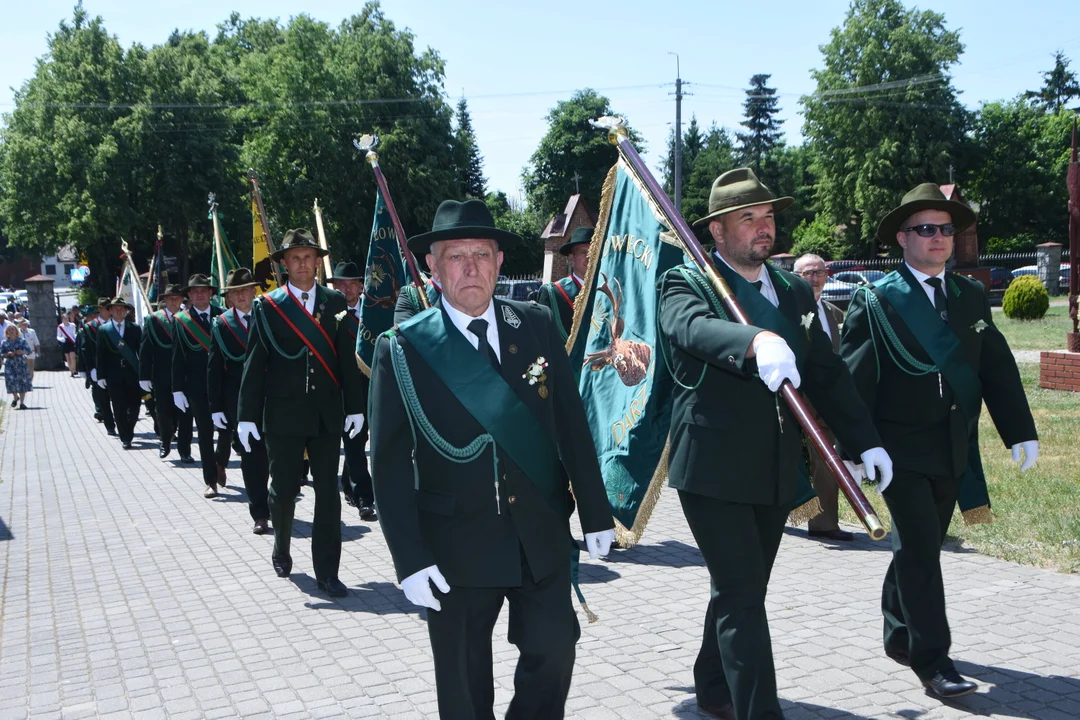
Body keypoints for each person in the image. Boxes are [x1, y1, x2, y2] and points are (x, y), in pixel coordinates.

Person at [659, 169, 892, 720]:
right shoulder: (690, 279)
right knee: (742, 593)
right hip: (712, 467)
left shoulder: (790, 288)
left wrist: (864, 441)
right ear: (716, 231)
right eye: (748, 219)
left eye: (768, 217)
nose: (764, 229)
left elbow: (826, 372)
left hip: (775, 464)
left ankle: (713, 686)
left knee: (742, 587)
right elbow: (687, 328)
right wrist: (754, 339)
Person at [369, 199, 616, 720]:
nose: (471, 268)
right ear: (432, 268)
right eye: (455, 256)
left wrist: (594, 511)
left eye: (482, 254)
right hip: (453, 546)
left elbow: (571, 424)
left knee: (555, 654)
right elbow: (388, 464)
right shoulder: (403, 349)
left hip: (538, 535)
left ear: (501, 262)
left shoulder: (538, 324)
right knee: (463, 687)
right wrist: (408, 558)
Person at [840, 183, 1039, 699]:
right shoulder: (877, 298)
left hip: (952, 444)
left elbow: (994, 367)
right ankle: (934, 661)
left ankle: (899, 631)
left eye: (947, 229)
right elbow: (854, 378)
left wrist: (1019, 430)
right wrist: (856, 448)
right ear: (902, 238)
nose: (940, 238)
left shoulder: (970, 294)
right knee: (924, 552)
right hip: (896, 451)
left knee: (915, 548)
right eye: (927, 229)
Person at [237, 229, 366, 596]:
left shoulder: (335, 302)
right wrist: (247, 414)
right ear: (284, 264)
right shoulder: (268, 305)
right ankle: (281, 544)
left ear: (317, 261)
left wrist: (355, 408)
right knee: (282, 490)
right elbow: (254, 362)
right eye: (295, 257)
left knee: (328, 495)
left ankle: (327, 571)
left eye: (309, 257)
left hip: (326, 414)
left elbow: (346, 359)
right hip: (283, 415)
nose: (303, 264)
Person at [791, 253, 853, 542]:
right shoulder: (784, 309)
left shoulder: (834, 313)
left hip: (825, 400)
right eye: (807, 273)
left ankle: (825, 524)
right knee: (778, 459)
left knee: (828, 460)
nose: (814, 278)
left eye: (819, 272)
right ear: (795, 277)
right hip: (790, 398)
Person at [208, 268, 271, 534]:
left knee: (277, 457)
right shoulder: (222, 324)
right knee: (252, 458)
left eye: (246, 289)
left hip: (272, 398)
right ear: (230, 298)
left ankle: (280, 505)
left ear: (254, 291)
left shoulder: (269, 316)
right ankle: (259, 512)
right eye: (236, 292)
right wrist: (216, 408)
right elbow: (214, 367)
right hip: (240, 403)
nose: (242, 295)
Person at [172, 274, 230, 497]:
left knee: (227, 429)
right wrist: (177, 389)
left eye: (203, 290)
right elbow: (177, 356)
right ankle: (211, 481)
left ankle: (220, 462)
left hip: (224, 384)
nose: (199, 295)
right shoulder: (181, 320)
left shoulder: (223, 316)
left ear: (211, 294)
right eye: (194, 291)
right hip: (197, 386)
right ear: (189, 295)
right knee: (205, 433)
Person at [328, 260, 376, 521]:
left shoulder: (373, 312)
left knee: (363, 439)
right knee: (354, 442)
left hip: (371, 384)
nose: (346, 289)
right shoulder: (329, 314)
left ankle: (349, 484)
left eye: (351, 284)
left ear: (360, 286)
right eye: (340, 284)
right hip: (343, 387)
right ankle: (364, 499)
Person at [139, 284, 194, 461]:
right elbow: (145, 349)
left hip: (185, 374)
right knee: (164, 412)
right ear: (164, 300)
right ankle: (165, 441)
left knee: (185, 414)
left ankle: (185, 451)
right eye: (170, 298)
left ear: (182, 300)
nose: (173, 301)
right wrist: (144, 375)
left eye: (177, 298)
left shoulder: (189, 318)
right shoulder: (153, 320)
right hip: (162, 374)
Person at [95, 297, 143, 449]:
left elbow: (140, 352)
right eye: (115, 308)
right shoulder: (104, 330)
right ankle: (125, 437)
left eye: (122, 308)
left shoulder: (134, 328)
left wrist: (144, 372)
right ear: (109, 311)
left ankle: (129, 427)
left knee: (135, 405)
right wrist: (100, 375)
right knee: (119, 406)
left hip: (132, 373)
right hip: (113, 374)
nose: (119, 311)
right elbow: (100, 354)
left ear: (126, 311)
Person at [532, 226, 593, 343]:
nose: (589, 257)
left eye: (594, 252)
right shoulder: (553, 294)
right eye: (583, 252)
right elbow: (541, 338)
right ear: (571, 258)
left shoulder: (607, 291)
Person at [82, 300, 117, 436]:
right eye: (105, 308)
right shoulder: (90, 327)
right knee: (103, 398)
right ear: (100, 310)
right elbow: (86, 349)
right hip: (98, 367)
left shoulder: (117, 324)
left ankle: (121, 421)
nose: (108, 311)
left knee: (119, 398)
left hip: (115, 367)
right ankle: (109, 424)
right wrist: (90, 369)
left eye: (110, 308)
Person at [2, 325, 32, 409]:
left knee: (22, 382)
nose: (11, 331)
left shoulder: (22, 341)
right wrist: (7, 354)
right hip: (10, 364)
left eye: (13, 329)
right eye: (9, 330)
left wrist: (21, 351)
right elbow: (1, 353)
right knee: (11, 381)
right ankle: (15, 397)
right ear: (7, 332)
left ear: (16, 331)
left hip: (21, 363)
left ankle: (22, 403)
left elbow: (28, 351)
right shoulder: (4, 342)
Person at [57, 312, 79, 376]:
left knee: (73, 356)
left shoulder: (72, 325)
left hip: (71, 341)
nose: (66, 320)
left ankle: (74, 370)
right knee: (68, 358)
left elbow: (74, 333)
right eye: (64, 319)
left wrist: (75, 337)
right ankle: (71, 371)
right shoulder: (60, 327)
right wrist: (61, 339)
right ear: (62, 320)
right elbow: (58, 336)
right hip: (65, 342)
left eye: (66, 318)